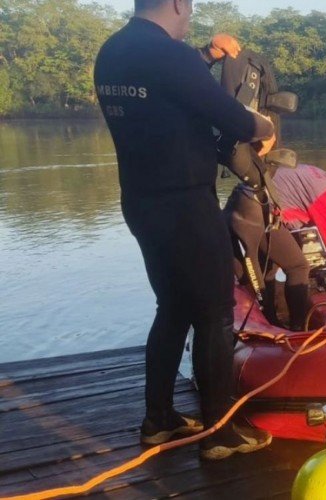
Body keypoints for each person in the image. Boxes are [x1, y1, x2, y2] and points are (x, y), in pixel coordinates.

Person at [94, 0, 275, 460]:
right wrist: (265, 124)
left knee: (172, 306)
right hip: (186, 204)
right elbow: (233, 118)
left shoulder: (113, 51)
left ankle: (158, 421)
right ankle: (218, 433)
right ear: (177, 3)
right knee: (215, 313)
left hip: (141, 203)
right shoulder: (169, 56)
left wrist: (207, 56)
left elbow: (163, 82)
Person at [224, 165, 326, 331]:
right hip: (257, 211)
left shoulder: (318, 176)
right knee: (298, 267)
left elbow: (292, 215)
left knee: (270, 268)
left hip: (243, 200)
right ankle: (299, 329)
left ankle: (270, 321)